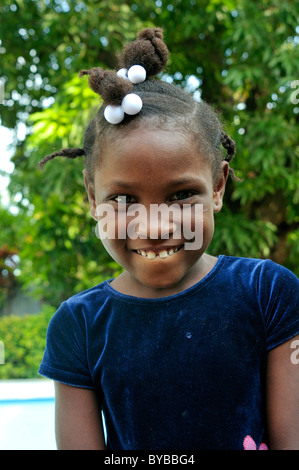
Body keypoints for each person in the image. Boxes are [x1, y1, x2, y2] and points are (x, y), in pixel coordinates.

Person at [38, 27, 299, 450]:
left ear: (217, 187)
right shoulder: (78, 327)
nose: (155, 228)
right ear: (92, 197)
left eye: (181, 196)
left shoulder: (268, 294)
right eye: (123, 199)